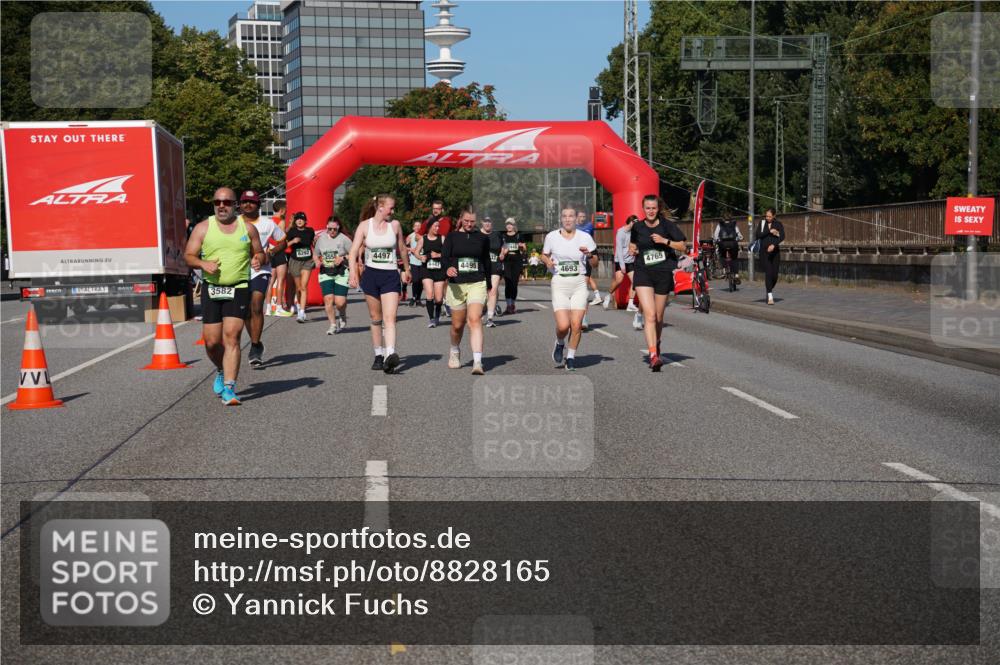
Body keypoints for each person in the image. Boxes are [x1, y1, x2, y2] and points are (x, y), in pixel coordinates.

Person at [184, 187, 266, 405]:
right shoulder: (203, 228)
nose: (222, 206)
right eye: (218, 202)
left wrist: (258, 258)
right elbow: (189, 256)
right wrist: (203, 263)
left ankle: (230, 387)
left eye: (227, 202)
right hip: (212, 288)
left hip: (238, 287)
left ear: (235, 205)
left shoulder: (247, 228)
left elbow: (260, 252)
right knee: (211, 342)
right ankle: (221, 368)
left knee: (232, 336)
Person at [348, 193, 412, 374]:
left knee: (390, 318)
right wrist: (353, 273)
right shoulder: (364, 226)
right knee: (376, 318)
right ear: (381, 207)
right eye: (391, 208)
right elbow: (353, 252)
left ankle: (390, 355)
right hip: (371, 275)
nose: (393, 211)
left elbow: (401, 249)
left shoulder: (395, 225)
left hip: (390, 275)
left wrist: (407, 269)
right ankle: (378, 354)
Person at [630, 194, 687, 371]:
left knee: (659, 317)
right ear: (643, 208)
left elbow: (683, 246)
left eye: (653, 208)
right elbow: (633, 245)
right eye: (647, 208)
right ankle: (653, 354)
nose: (651, 211)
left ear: (658, 209)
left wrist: (665, 241)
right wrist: (632, 249)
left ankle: (657, 341)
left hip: (663, 273)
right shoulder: (637, 227)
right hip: (643, 272)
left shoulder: (667, 225)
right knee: (650, 315)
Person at [541, 205, 597, 371]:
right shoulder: (552, 237)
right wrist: (547, 261)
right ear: (561, 219)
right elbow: (544, 254)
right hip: (559, 283)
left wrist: (589, 255)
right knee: (563, 326)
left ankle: (571, 357)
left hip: (579, 283)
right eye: (564, 216)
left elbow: (595, 262)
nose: (567, 219)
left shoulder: (585, 237)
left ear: (576, 219)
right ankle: (559, 343)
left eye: (571, 216)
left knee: (576, 324)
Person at [239, 190, 287, 368]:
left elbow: (283, 240)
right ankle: (256, 342)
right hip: (239, 271)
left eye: (251, 202)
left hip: (261, 270)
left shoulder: (267, 224)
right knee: (245, 311)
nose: (247, 205)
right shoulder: (234, 223)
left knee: (257, 303)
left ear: (258, 205)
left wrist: (272, 252)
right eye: (244, 202)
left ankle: (254, 347)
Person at [443, 206, 491, 374]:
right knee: (457, 325)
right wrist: (448, 269)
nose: (470, 224)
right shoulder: (452, 237)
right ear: (461, 219)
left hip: (477, 282)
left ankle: (477, 362)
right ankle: (455, 350)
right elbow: (445, 257)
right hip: (457, 284)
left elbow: (486, 261)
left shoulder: (482, 238)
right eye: (467, 221)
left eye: (472, 221)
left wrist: (490, 285)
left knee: (474, 319)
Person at [314, 216, 352, 334]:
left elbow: (353, 254)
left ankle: (342, 313)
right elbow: (315, 253)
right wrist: (317, 261)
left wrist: (343, 258)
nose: (332, 231)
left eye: (334, 229)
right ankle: (333, 325)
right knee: (328, 299)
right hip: (326, 272)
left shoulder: (344, 239)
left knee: (340, 302)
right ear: (327, 228)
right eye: (329, 229)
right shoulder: (321, 239)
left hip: (341, 272)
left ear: (338, 228)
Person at [605, 214, 642, 324]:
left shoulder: (635, 233)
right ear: (630, 222)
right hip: (620, 260)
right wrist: (622, 265)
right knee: (619, 280)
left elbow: (638, 245)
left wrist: (636, 252)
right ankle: (608, 295)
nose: (636, 226)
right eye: (634, 223)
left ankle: (630, 304)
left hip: (630, 261)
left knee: (635, 281)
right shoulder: (621, 232)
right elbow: (619, 249)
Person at [286, 211, 316, 323]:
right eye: (297, 219)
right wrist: (293, 241)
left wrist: (317, 255)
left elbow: (313, 243)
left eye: (301, 219)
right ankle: (299, 306)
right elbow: (285, 244)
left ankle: (302, 312)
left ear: (305, 221)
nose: (299, 220)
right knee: (298, 288)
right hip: (295, 261)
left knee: (304, 287)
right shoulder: (292, 231)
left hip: (307, 261)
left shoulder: (310, 231)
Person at [265, 199, 293, 317]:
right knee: (281, 279)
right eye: (285, 211)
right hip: (279, 252)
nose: (286, 213)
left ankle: (268, 308)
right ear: (281, 211)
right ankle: (279, 307)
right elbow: (280, 238)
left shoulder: (269, 221)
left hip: (270, 251)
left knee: (271, 282)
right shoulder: (281, 221)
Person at [417, 219, 447, 327]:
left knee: (438, 298)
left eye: (438, 226)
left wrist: (438, 255)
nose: (437, 228)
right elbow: (416, 252)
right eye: (435, 226)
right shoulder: (423, 239)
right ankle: (431, 319)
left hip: (439, 270)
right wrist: (421, 257)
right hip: (427, 270)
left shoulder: (442, 238)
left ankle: (437, 314)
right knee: (429, 294)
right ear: (429, 227)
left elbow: (448, 252)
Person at [756, 207, 785, 305]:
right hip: (764, 253)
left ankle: (769, 289)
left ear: (774, 216)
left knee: (774, 276)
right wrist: (769, 231)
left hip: (775, 252)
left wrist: (774, 244)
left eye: (769, 216)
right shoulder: (762, 223)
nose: (767, 218)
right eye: (766, 216)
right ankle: (770, 296)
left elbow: (782, 236)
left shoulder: (778, 224)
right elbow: (758, 235)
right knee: (768, 273)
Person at [480, 216, 505, 327]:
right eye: (485, 221)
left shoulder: (497, 234)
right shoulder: (477, 234)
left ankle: (490, 318)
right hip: (481, 266)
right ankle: (484, 308)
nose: (487, 224)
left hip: (495, 264)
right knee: (483, 292)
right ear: (482, 222)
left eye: (489, 221)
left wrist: (503, 252)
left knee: (493, 290)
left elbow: (504, 246)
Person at [499, 218, 526, 315]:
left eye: (510, 224)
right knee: (508, 282)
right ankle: (508, 305)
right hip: (507, 262)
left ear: (514, 225)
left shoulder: (519, 235)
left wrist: (521, 246)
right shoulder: (503, 236)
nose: (509, 226)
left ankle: (513, 304)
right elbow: (502, 250)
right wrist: (502, 254)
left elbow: (524, 249)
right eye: (507, 224)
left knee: (514, 284)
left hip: (517, 262)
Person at [713, 210, 743, 292]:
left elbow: (715, 236)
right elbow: (740, 236)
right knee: (734, 258)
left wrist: (717, 240)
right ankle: (736, 275)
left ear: (723, 218)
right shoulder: (734, 225)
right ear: (731, 218)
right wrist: (738, 238)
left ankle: (724, 269)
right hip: (733, 244)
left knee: (722, 255)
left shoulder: (720, 225)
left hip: (722, 244)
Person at [405, 221, 424, 307]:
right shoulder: (410, 236)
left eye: (419, 226)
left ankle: (418, 299)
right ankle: (413, 297)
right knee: (415, 280)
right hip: (414, 261)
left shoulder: (424, 235)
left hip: (422, 261)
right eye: (416, 226)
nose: (417, 227)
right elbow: (403, 247)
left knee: (420, 281)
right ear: (413, 228)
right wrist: (410, 249)